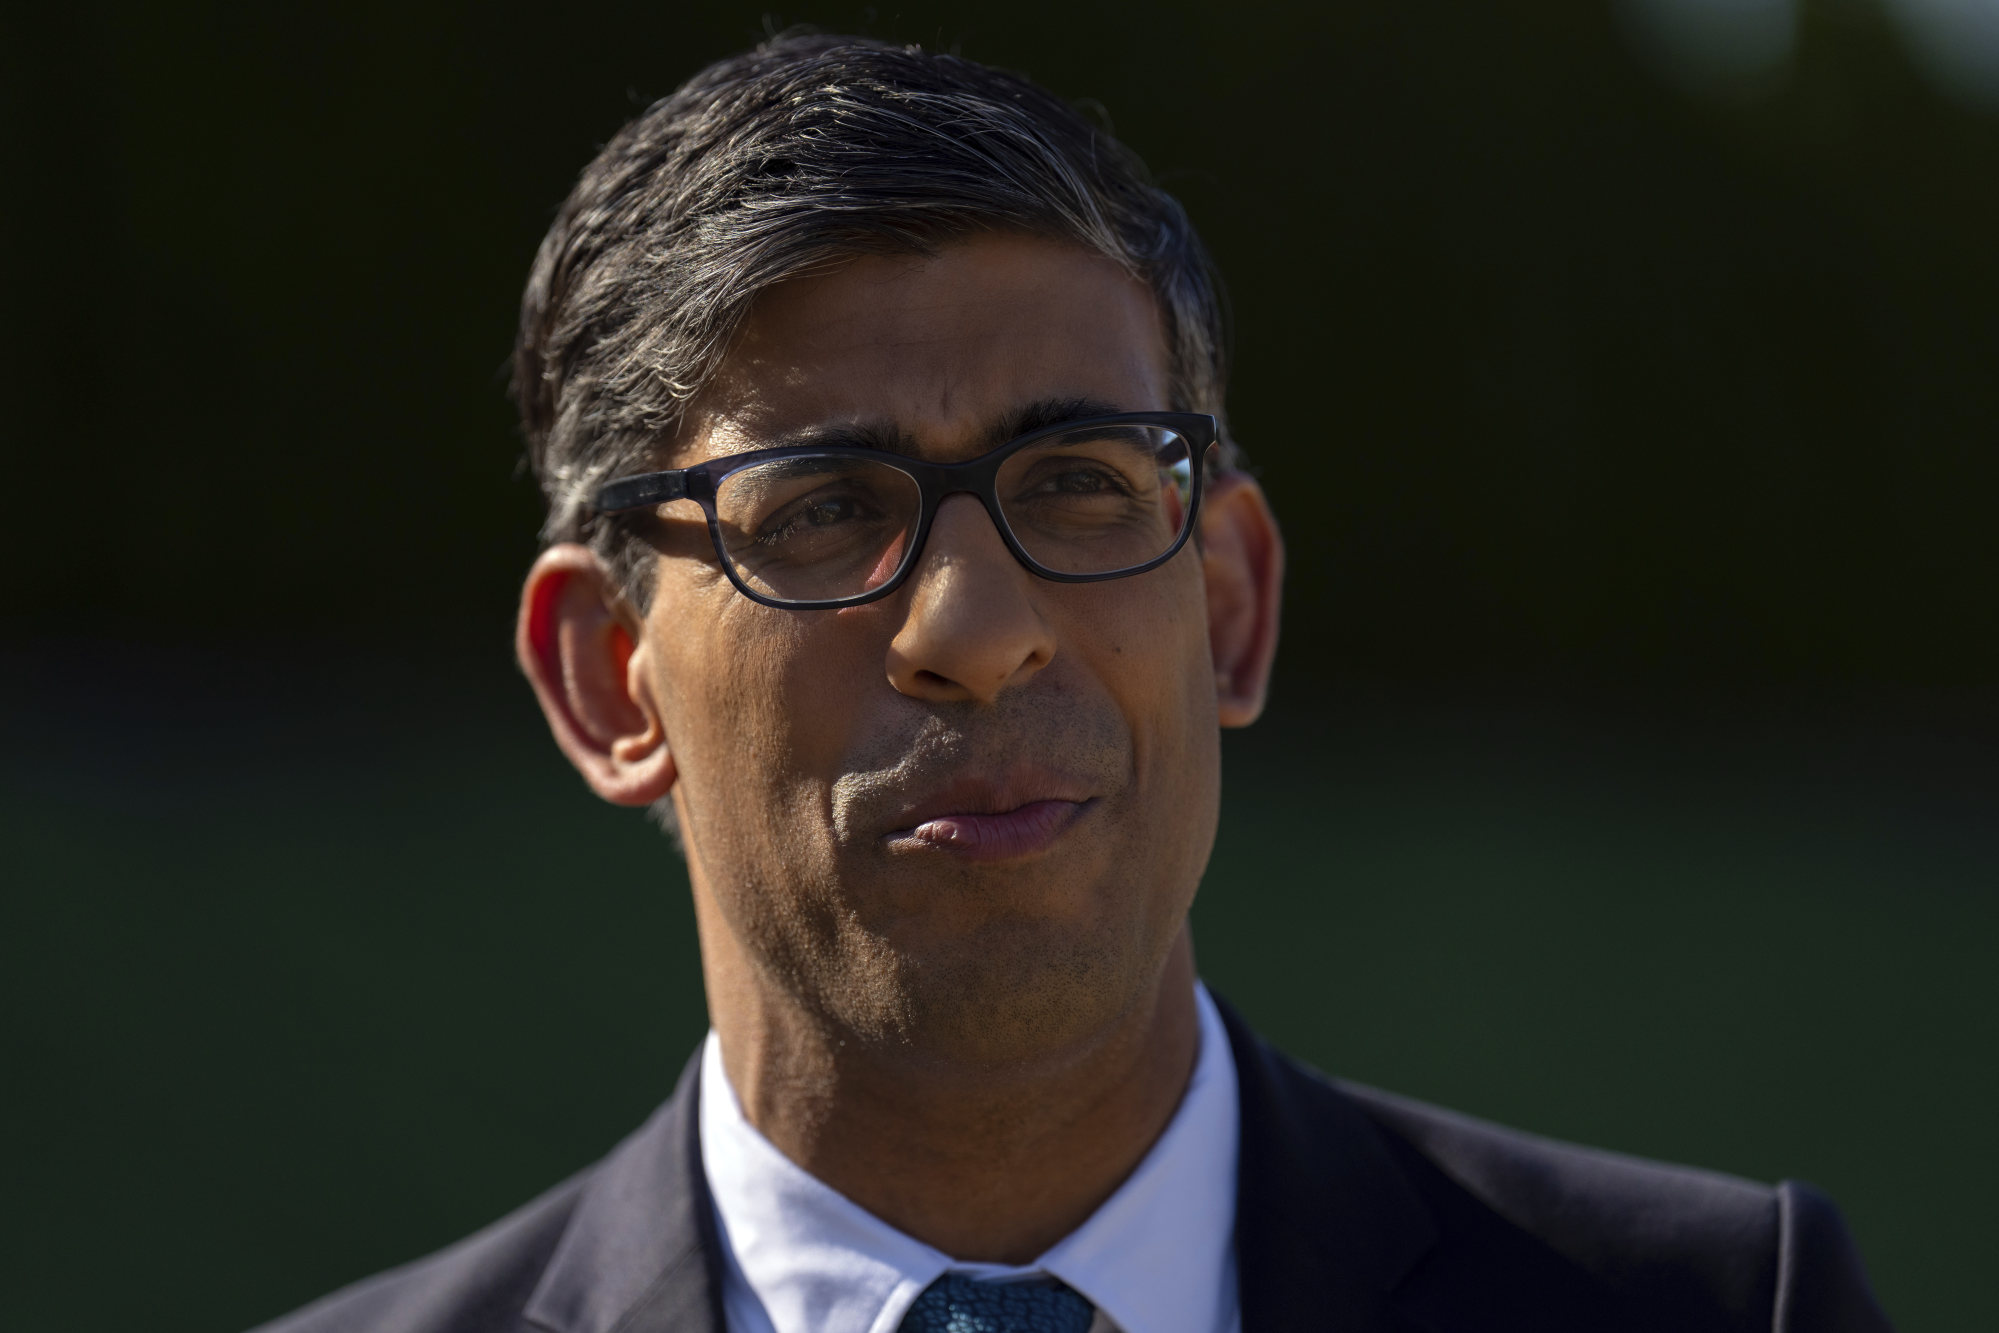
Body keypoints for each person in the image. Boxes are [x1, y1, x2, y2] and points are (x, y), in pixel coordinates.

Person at [255, 33, 1892, 1333]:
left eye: (1081, 483)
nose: (976, 624)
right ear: (613, 680)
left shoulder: (1724, 1309)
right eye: (823, 507)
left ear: (1232, 607)